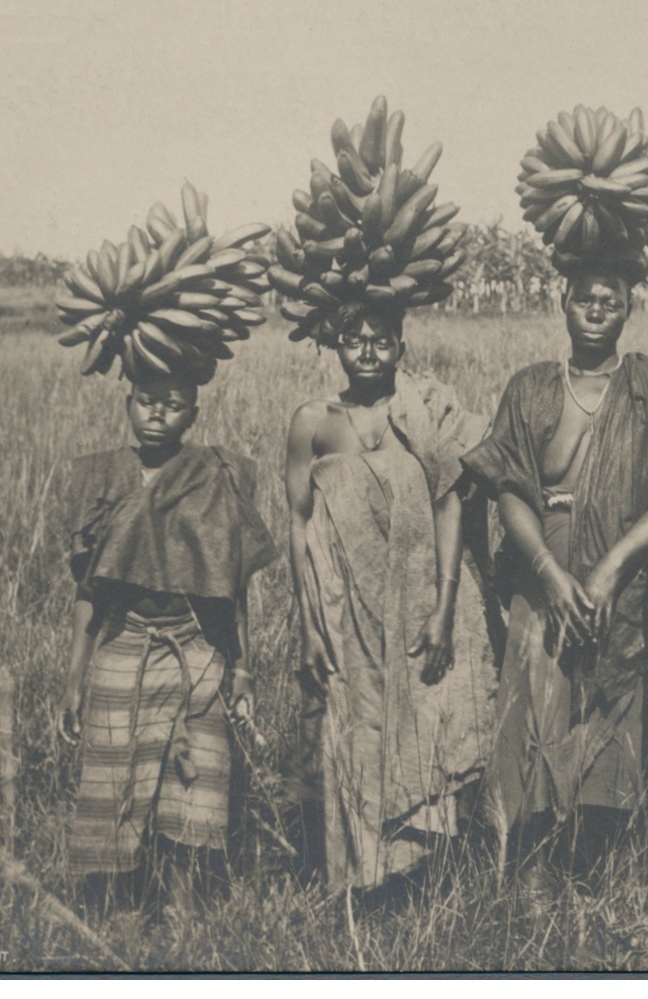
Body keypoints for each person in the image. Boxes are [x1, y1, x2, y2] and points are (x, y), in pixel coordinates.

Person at [462, 247, 648, 899]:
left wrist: (609, 569)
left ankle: (596, 884)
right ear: (562, 302)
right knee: (534, 726)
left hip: (622, 583)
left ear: (630, 307)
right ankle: (529, 888)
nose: (597, 307)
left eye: (611, 297)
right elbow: (508, 488)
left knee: (606, 736)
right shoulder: (530, 387)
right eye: (585, 296)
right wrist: (549, 573)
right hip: (539, 577)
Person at [284, 303, 494, 896]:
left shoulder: (419, 413)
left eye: (382, 339)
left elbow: (448, 501)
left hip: (415, 600)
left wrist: (445, 608)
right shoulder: (313, 421)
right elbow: (298, 524)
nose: (369, 351)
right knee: (357, 726)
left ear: (400, 346)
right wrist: (307, 624)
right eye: (355, 339)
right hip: (343, 605)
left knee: (427, 722)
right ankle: (362, 880)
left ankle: (423, 879)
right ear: (337, 347)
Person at [59, 370, 274, 917]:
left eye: (174, 405)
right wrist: (73, 680)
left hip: (197, 650)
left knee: (195, 788)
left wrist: (242, 668)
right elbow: (90, 594)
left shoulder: (216, 476)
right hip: (124, 648)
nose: (158, 414)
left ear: (194, 414)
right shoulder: (101, 477)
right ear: (127, 403)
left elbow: (232, 589)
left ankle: (185, 914)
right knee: (113, 787)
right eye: (147, 402)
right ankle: (112, 912)